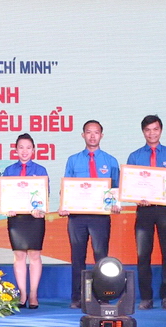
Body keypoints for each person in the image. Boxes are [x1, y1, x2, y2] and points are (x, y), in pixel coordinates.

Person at [61, 120, 120, 309]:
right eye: (88, 132)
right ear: (83, 135)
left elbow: (116, 188)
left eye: (96, 132)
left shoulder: (110, 161)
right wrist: (64, 205)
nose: (92, 136)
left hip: (100, 217)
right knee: (77, 257)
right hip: (77, 217)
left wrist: (116, 204)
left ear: (101, 135)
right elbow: (66, 188)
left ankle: (101, 295)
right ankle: (77, 297)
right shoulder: (73, 160)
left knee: (101, 257)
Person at [126, 115, 166, 311]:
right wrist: (135, 197)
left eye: (155, 129)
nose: (152, 133)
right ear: (143, 132)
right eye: (148, 130)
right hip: (144, 210)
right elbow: (130, 185)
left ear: (161, 130)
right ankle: (146, 298)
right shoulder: (134, 157)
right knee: (143, 255)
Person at [1, 133, 47, 309]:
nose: (25, 151)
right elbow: (5, 195)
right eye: (21, 147)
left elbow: (45, 195)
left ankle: (33, 293)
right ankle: (22, 294)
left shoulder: (40, 171)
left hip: (35, 218)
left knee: (34, 255)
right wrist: (7, 208)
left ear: (33, 150)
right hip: (16, 218)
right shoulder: (9, 171)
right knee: (19, 255)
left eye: (28, 148)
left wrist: (40, 208)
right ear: (16, 150)